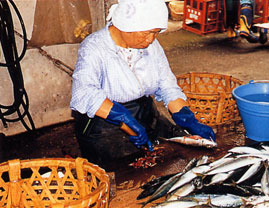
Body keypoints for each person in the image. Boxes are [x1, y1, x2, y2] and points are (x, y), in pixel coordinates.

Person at [70, 0, 215, 168]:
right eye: (148, 33)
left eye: (156, 33)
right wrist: (123, 118)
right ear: (127, 24)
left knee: (158, 163)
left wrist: (187, 118)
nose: (151, 40)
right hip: (104, 123)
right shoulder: (94, 47)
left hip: (143, 112)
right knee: (120, 174)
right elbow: (83, 93)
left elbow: (167, 84)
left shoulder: (151, 46)